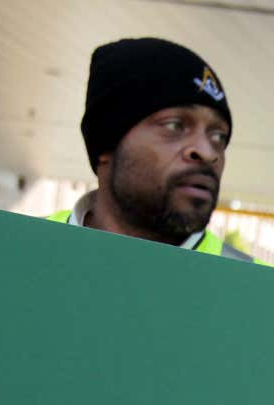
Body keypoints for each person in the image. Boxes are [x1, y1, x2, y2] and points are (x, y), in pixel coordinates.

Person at [48, 37, 252, 262]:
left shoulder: (261, 290)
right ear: (106, 143)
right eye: (175, 125)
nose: (208, 152)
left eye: (218, 136)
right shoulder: (14, 252)